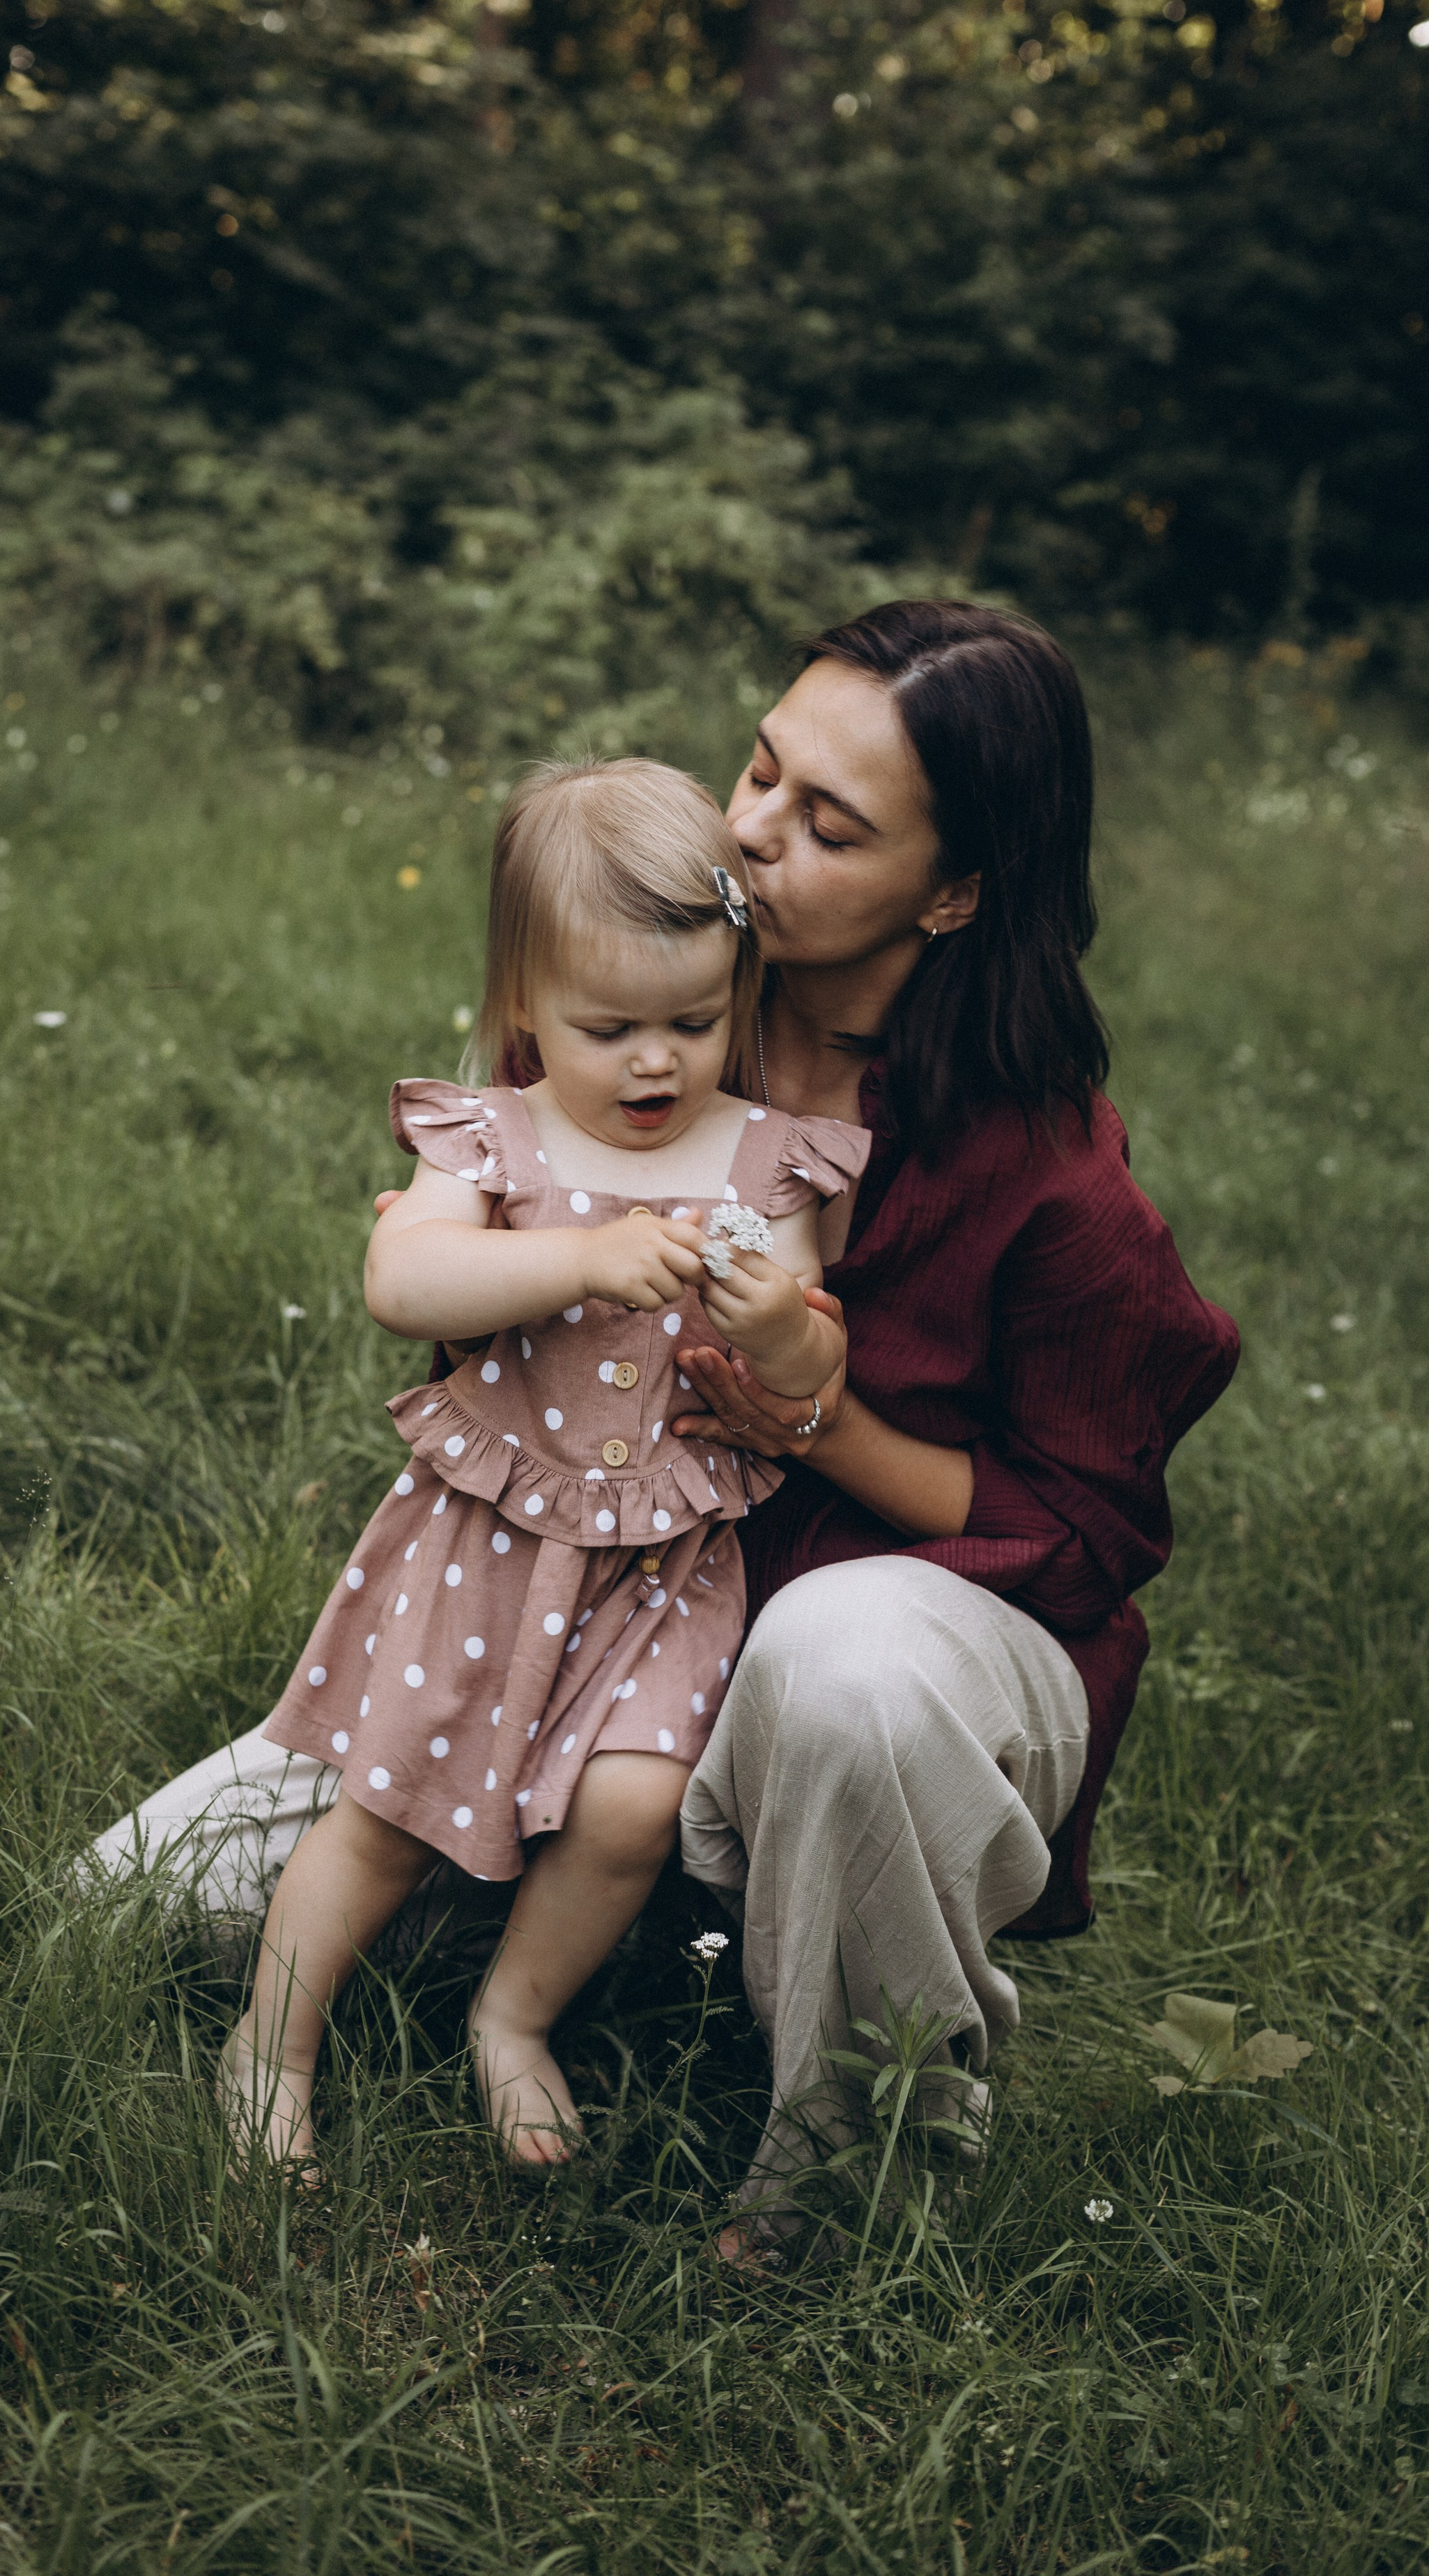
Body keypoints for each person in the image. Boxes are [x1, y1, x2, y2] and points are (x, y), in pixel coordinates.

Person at [86, 601, 1237, 2226]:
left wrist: (803, 1420)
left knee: (842, 1671)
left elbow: (1081, 1536)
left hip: (847, 1653)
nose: (748, 832)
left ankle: (847, 2184)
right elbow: (454, 1260)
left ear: (955, 890)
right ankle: (633, 1942)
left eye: (826, 824)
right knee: (130, 1913)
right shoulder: (640, 993)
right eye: (759, 769)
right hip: (541, 1617)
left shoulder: (1037, 1167)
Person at [216, 758, 867, 2166]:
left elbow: (814, 1365)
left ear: (738, 995)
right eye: (608, 1025)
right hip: (485, 1544)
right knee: (385, 1810)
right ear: (522, 1009)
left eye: (694, 1020)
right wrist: (573, 1255)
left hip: (661, 1564)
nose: (654, 1061)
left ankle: (511, 2019)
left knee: (632, 1810)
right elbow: (404, 1280)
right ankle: (270, 2043)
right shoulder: (494, 1134)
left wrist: (784, 1338)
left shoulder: (766, 1161)